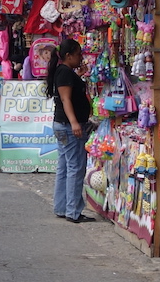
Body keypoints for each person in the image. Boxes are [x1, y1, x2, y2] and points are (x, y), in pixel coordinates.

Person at [47, 38, 94, 223]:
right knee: (75, 167)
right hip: (68, 126)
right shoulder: (64, 73)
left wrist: (79, 76)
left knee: (65, 166)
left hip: (62, 125)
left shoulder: (65, 72)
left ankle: (62, 207)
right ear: (68, 55)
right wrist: (74, 123)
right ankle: (73, 211)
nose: (80, 57)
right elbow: (66, 99)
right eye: (78, 54)